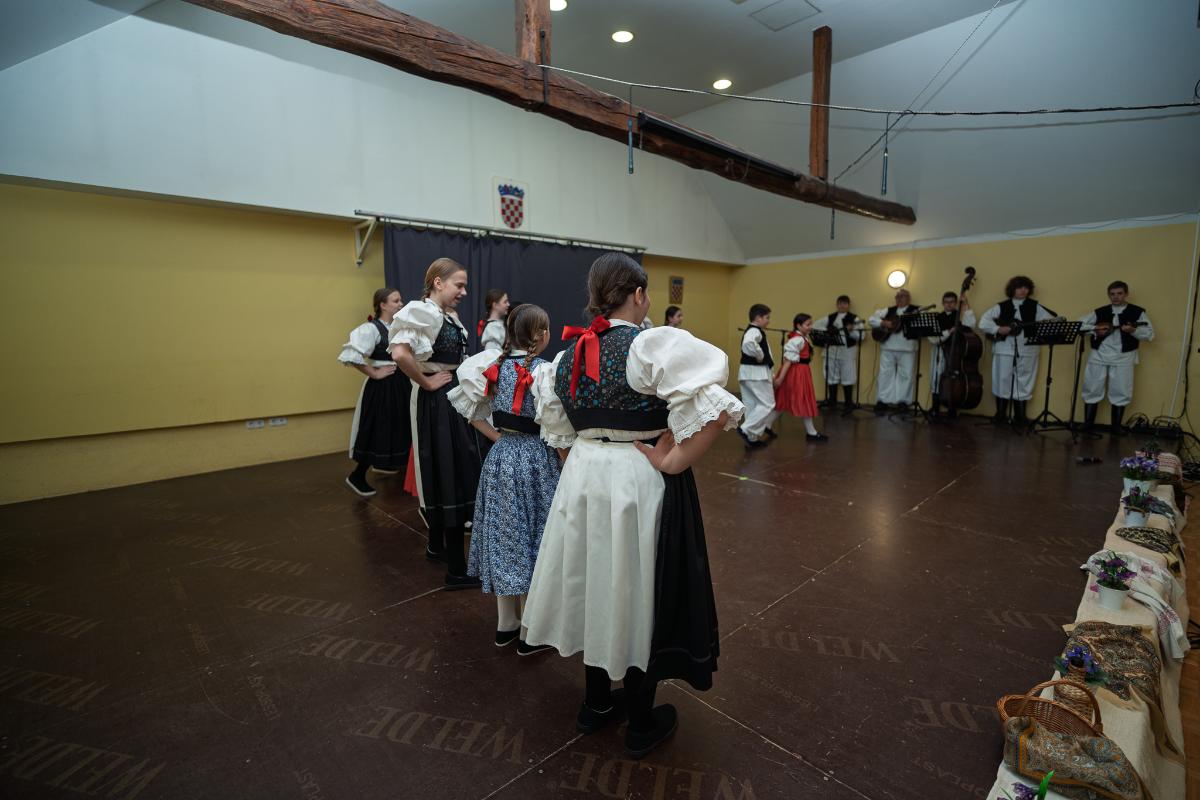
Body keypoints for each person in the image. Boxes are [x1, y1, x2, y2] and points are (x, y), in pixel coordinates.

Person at [522, 253, 743, 759]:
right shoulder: (647, 346)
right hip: (637, 475)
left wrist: (588, 463)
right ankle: (641, 721)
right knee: (637, 588)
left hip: (582, 476)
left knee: (594, 581)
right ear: (639, 294)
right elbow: (716, 408)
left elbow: (557, 433)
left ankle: (596, 703)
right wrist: (673, 461)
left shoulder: (564, 358)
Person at [449, 304, 561, 654]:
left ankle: (506, 623)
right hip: (536, 460)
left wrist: (500, 438)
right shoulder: (544, 371)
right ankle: (530, 631)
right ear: (540, 335)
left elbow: (472, 413)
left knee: (506, 535)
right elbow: (556, 425)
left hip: (501, 458)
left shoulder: (493, 366)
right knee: (534, 536)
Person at [389, 258, 485, 590]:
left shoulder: (446, 316)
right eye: (459, 285)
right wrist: (427, 381)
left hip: (449, 397)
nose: (464, 291)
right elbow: (400, 354)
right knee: (449, 472)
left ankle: (436, 546)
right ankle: (456, 570)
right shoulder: (424, 312)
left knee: (448, 469)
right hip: (439, 402)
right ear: (438, 282)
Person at [339, 288, 412, 496]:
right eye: (396, 300)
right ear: (383, 305)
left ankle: (385, 463)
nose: (401, 303)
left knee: (397, 426)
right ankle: (357, 475)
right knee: (377, 427)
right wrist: (374, 373)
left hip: (400, 384)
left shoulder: (398, 328)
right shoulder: (371, 329)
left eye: (400, 300)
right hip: (382, 388)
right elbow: (351, 355)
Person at [1079, 281, 1154, 434]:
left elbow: (1149, 334)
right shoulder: (1100, 311)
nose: (1116, 297)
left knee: (1121, 389)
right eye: (1112, 294)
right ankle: (1088, 423)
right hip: (1099, 354)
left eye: (1119, 293)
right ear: (1109, 295)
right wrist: (1095, 328)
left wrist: (1133, 331)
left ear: (1126, 294)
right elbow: (1079, 325)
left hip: (1124, 356)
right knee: (1092, 386)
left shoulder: (1137, 312)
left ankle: (1116, 426)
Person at [978, 276, 1055, 425]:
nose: (1023, 290)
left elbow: (1050, 322)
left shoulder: (1035, 306)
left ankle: (1020, 416)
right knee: (1002, 379)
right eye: (1019, 287)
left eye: (1026, 287)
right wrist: (998, 329)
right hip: (1004, 349)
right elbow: (983, 322)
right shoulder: (1002, 306)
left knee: (1024, 381)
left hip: (1028, 350)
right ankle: (1000, 414)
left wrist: (1041, 327)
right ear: (1012, 289)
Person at [773, 314, 827, 441]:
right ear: (798, 325)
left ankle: (766, 426)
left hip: (801, 372)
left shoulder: (802, 338)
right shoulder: (797, 340)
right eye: (808, 324)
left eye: (810, 324)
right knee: (802, 399)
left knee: (784, 399)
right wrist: (780, 379)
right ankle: (811, 432)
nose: (810, 327)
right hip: (797, 373)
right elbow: (788, 361)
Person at [869, 289, 919, 414]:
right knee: (885, 374)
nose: (899, 299)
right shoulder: (888, 310)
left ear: (908, 298)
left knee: (906, 375)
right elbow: (871, 320)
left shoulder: (916, 310)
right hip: (888, 347)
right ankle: (882, 401)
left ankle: (902, 402)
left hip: (907, 348)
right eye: (897, 296)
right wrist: (883, 322)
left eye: (902, 296)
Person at [928, 290, 976, 417]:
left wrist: (965, 304)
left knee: (954, 379)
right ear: (942, 303)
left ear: (956, 303)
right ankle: (935, 407)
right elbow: (933, 339)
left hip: (956, 353)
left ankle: (952, 407)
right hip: (940, 351)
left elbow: (971, 326)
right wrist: (949, 332)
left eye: (952, 302)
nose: (949, 304)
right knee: (936, 378)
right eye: (946, 302)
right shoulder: (937, 318)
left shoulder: (960, 316)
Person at [736, 303, 778, 448]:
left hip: (747, 373)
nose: (768, 321)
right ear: (758, 318)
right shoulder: (755, 331)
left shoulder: (754, 331)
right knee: (768, 404)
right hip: (756, 374)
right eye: (767, 317)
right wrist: (760, 355)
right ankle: (746, 429)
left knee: (752, 405)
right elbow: (748, 344)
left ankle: (751, 438)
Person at [812, 295, 861, 411]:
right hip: (832, 351)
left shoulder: (854, 319)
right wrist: (828, 331)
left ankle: (848, 402)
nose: (842, 306)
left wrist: (851, 331)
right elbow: (815, 326)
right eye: (840, 303)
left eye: (844, 303)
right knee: (831, 375)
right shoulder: (830, 317)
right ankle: (832, 401)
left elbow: (861, 336)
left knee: (848, 375)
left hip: (847, 352)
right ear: (837, 304)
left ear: (848, 305)